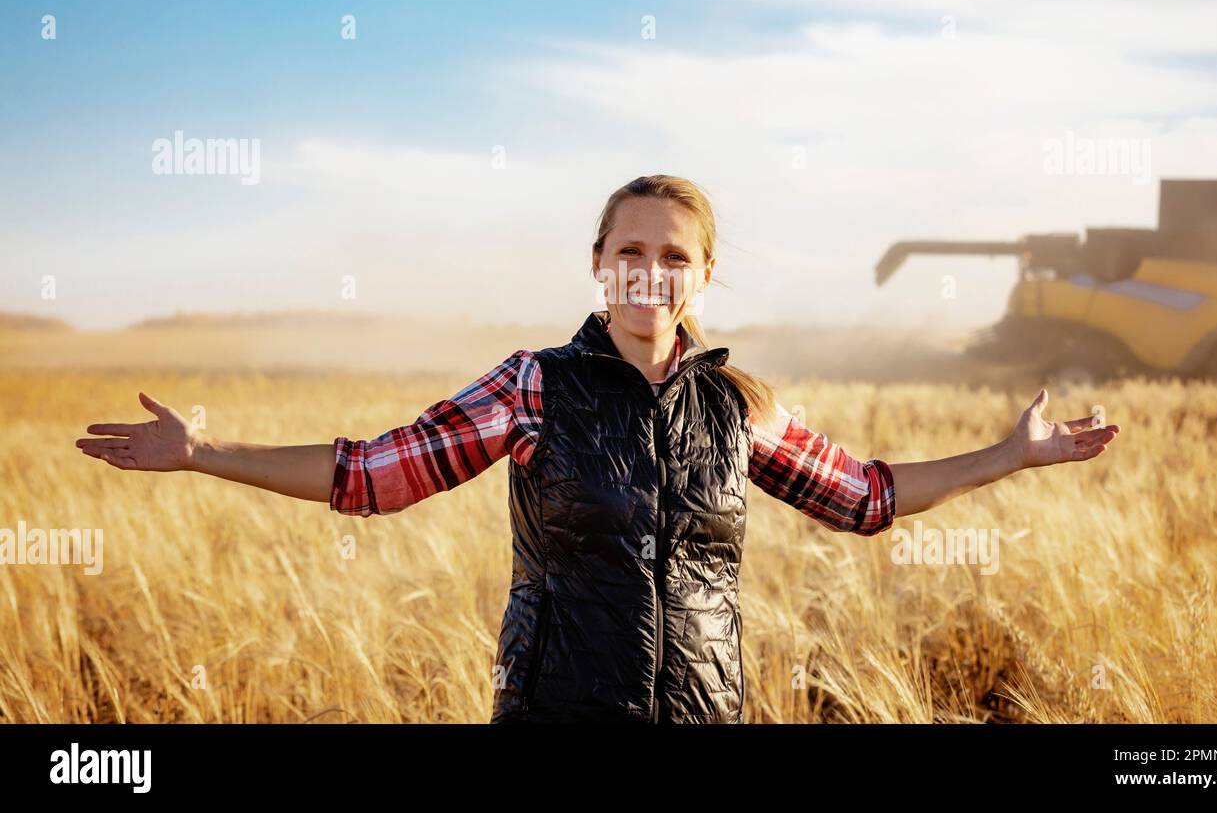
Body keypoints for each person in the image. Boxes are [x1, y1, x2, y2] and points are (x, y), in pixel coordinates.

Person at [76, 174, 1120, 723]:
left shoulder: (737, 406)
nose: (648, 272)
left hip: (708, 712)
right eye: (630, 251)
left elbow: (867, 497)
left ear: (702, 275)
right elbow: (369, 476)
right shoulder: (535, 383)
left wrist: (1008, 454)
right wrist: (204, 452)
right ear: (598, 265)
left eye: (673, 255)